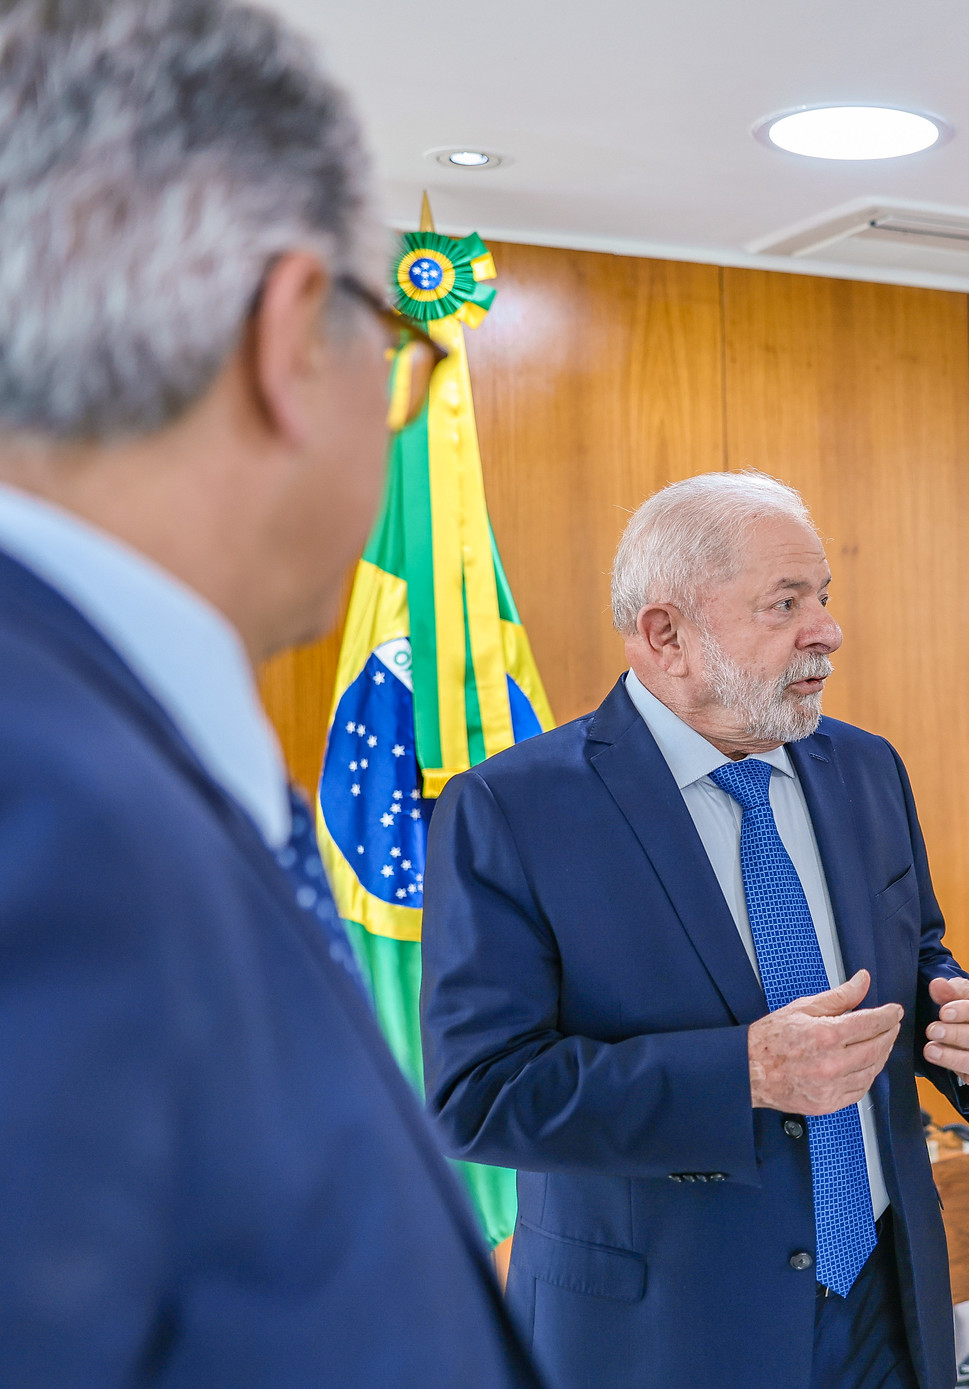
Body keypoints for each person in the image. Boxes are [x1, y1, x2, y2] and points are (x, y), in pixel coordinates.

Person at [0, 0, 538, 1382]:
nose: (396, 401)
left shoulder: (107, 740)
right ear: (291, 334)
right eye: (394, 348)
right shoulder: (48, 814)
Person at [419, 470, 969, 1389]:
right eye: (785, 603)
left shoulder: (865, 767)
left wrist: (960, 1033)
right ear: (666, 635)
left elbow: (917, 955)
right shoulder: (512, 808)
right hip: (662, 1330)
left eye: (823, 597)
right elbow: (480, 1091)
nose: (826, 629)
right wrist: (743, 1072)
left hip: (884, 1301)